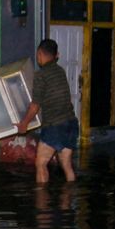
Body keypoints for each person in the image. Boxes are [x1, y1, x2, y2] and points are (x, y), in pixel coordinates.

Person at [16, 39, 77, 183]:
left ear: (39, 54)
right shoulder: (60, 71)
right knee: (67, 165)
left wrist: (24, 124)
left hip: (54, 126)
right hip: (71, 124)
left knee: (41, 164)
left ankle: (42, 202)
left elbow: (35, 106)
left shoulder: (41, 75)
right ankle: (67, 202)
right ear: (57, 55)